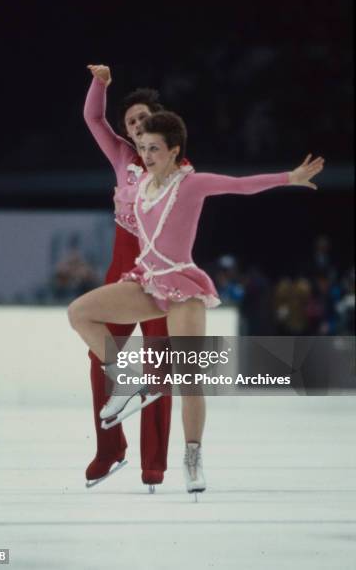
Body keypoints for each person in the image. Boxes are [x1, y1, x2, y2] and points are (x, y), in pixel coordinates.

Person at [69, 109, 325, 493]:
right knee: (80, 313)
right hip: (147, 283)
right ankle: (125, 381)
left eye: (154, 148)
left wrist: (289, 177)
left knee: (189, 380)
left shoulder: (191, 184)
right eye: (142, 147)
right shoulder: (141, 187)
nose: (146, 155)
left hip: (182, 288)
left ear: (174, 151)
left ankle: (192, 456)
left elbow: (240, 186)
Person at [82, 65, 173, 489]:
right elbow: (93, 119)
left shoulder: (175, 162)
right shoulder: (121, 156)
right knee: (101, 354)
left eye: (141, 119)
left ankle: (153, 463)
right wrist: (100, 83)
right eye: (130, 123)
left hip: (161, 272)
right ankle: (109, 446)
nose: (135, 127)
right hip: (121, 269)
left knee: (160, 369)